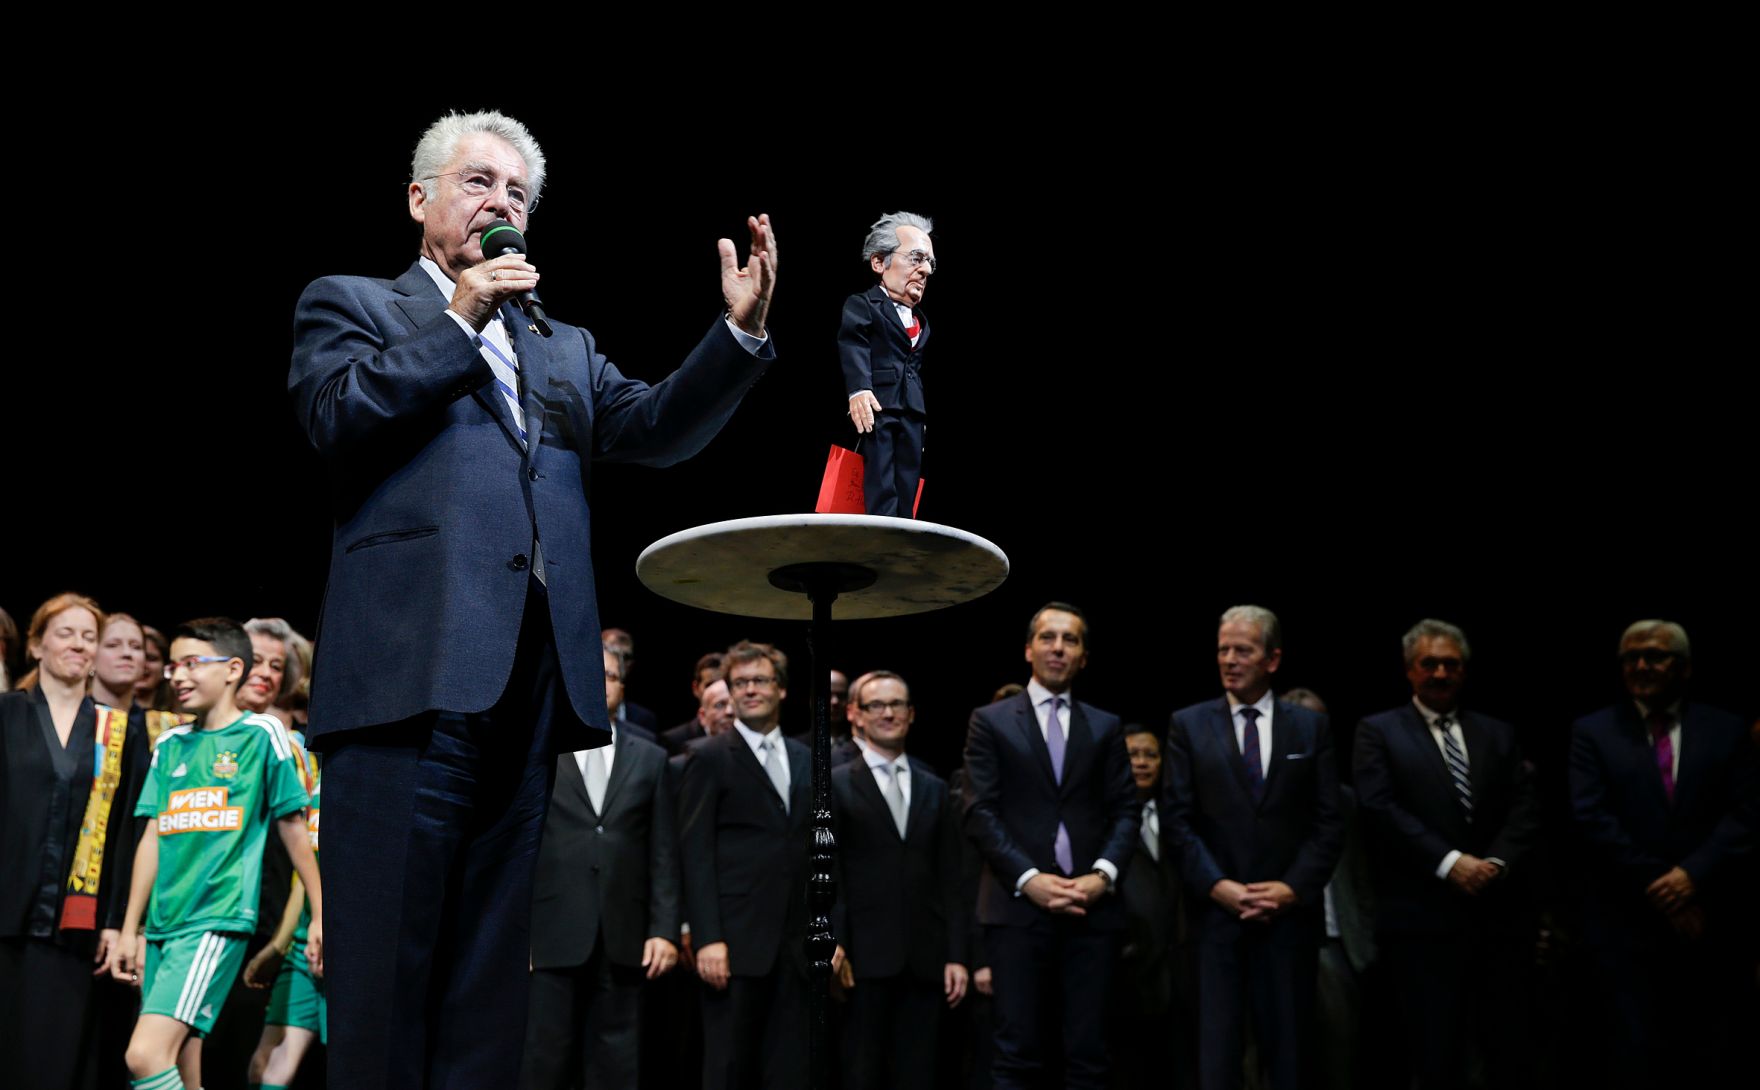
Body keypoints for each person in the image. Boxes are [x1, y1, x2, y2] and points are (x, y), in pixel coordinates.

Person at [287, 108, 776, 1088]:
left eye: (517, 192)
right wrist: (459, 318)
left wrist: (737, 332)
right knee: (385, 977)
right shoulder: (353, 304)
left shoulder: (559, 346)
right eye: (478, 183)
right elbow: (336, 415)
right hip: (402, 690)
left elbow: (654, 426)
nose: (500, 203)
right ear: (419, 198)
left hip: (526, 690)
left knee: (484, 991)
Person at [109, 617, 320, 1090]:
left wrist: (321, 914)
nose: (178, 677)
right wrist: (131, 929)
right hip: (164, 924)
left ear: (232, 669)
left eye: (191, 664)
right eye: (172, 668)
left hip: (216, 919)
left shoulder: (262, 735)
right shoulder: (169, 744)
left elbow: (294, 831)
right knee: (184, 1063)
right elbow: (152, 838)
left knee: (144, 1056)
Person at [1569, 620, 1757, 1087]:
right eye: (1630, 658)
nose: (1640, 666)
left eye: (1654, 656)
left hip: (1711, 918)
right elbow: (1593, 819)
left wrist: (1692, 877)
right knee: (1633, 1053)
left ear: (1685, 667)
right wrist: (1666, 887)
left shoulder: (1727, 729)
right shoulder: (1592, 731)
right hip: (1626, 922)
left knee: (1710, 1050)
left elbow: (1747, 813)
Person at [1353, 619, 1541, 1089]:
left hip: (1495, 918)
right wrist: (1450, 862)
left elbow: (1524, 806)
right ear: (1409, 670)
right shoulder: (1378, 731)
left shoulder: (1497, 733)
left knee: (1503, 1050)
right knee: (1432, 1054)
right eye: (1429, 663)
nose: (1440, 673)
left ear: (1464, 670)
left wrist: (1496, 862)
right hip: (1421, 921)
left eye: (1450, 664)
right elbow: (1380, 807)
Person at [1164, 605, 1343, 1090]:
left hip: (1287, 921)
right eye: (1223, 649)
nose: (1229, 659)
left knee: (1289, 1056)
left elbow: (1329, 822)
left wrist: (1290, 889)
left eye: (1242, 650)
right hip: (1217, 922)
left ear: (1273, 659)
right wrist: (1219, 887)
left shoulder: (1310, 728)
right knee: (1218, 1058)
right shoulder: (1188, 724)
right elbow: (1177, 822)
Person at [961, 603, 1137, 1089]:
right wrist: (1029, 879)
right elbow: (979, 811)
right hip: (1017, 910)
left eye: (1071, 640)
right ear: (1028, 649)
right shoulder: (991, 721)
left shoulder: (1104, 726)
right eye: (1048, 637)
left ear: (1084, 657)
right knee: (1016, 1053)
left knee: (1089, 1055)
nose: (1058, 647)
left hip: (1091, 910)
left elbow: (1127, 811)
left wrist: (1101, 876)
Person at [0, 593, 144, 1090]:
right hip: (5, 916)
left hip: (77, 929)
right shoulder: (5, 715)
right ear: (36, 646)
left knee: (60, 1064)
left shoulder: (121, 729)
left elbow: (129, 830)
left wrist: (117, 922)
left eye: (89, 636)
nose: (80, 645)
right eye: (67, 633)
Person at [521, 646, 680, 1090]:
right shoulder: (537, 750)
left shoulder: (651, 758)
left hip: (624, 932)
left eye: (609, 675)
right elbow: (520, 847)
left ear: (621, 687)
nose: (599, 682)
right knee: (543, 1059)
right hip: (550, 934)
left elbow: (664, 852)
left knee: (617, 1060)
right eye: (589, 673)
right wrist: (520, 932)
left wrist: (664, 929)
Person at [676, 641, 818, 1090]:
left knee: (790, 1066)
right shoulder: (709, 756)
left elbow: (820, 851)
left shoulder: (807, 758)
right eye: (741, 683)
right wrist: (708, 938)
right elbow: (695, 855)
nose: (750, 690)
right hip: (734, 942)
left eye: (760, 680)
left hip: (796, 943)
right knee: (729, 1065)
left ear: (781, 690)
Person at [829, 671, 968, 1090]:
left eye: (897, 705)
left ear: (911, 714)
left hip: (925, 958)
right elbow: (826, 871)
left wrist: (958, 954)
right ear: (855, 714)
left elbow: (950, 875)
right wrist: (832, 941)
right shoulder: (834, 783)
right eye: (876, 705)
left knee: (919, 1073)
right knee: (859, 1072)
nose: (888, 713)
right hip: (861, 959)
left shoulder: (934, 785)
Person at [840, 211, 935, 517]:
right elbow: (853, 343)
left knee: (908, 473)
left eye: (930, 263)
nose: (926, 270)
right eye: (917, 258)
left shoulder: (922, 322)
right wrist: (859, 389)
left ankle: (904, 529)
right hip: (878, 408)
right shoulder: (864, 304)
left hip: (912, 411)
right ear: (880, 262)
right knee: (880, 472)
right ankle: (882, 533)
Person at [1113, 724, 1191, 1090]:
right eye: (1133, 755)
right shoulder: (1104, 819)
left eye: (1151, 755)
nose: (1142, 763)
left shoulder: (1179, 818)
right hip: (1125, 974)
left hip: (1177, 972)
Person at [243, 779, 324, 1090]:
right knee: (265, 1067)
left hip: (348, 951)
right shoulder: (318, 785)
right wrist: (277, 948)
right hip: (305, 945)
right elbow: (308, 876)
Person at [662, 653, 725, 754]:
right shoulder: (675, 740)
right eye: (710, 684)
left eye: (724, 684)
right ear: (695, 688)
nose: (717, 690)